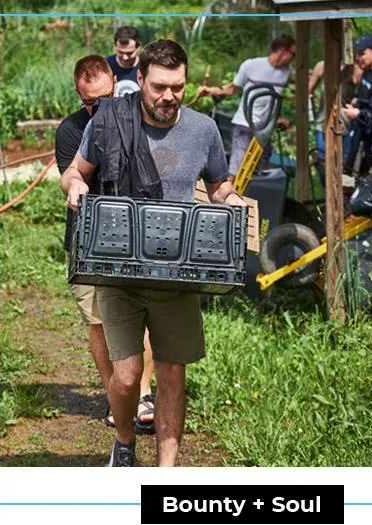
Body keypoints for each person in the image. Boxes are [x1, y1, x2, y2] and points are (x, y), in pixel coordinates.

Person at [60, 40, 247, 467]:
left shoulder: (203, 130)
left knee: (172, 374)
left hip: (177, 275)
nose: (168, 96)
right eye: (159, 87)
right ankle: (124, 441)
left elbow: (218, 186)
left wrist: (230, 198)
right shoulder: (108, 121)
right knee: (127, 377)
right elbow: (73, 171)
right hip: (118, 271)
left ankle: (165, 473)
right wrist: (76, 185)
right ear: (140, 79)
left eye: (177, 87)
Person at [55, 55, 156, 435]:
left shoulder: (137, 116)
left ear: (116, 82)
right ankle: (116, 399)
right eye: (89, 102)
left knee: (140, 316)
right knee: (98, 323)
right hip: (88, 241)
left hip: (132, 237)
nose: (98, 108)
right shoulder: (70, 130)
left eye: (104, 98)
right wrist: (75, 183)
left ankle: (142, 394)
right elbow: (71, 176)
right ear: (78, 95)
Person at [196, 33, 296, 179]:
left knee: (261, 173)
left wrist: (278, 117)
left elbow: (277, 98)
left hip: (265, 130)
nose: (293, 58)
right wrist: (210, 91)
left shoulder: (287, 73)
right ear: (282, 51)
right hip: (245, 124)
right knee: (238, 171)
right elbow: (232, 89)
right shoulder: (252, 65)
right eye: (293, 54)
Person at [308, 59, 363, 162]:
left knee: (341, 163)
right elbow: (308, 90)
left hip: (344, 125)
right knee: (322, 160)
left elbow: (361, 97)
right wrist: (312, 114)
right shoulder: (322, 66)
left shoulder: (355, 70)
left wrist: (355, 105)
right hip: (322, 123)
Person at [105, 26, 142, 97]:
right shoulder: (105, 65)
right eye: (120, 52)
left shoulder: (146, 66)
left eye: (129, 53)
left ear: (138, 48)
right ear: (115, 46)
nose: (125, 57)